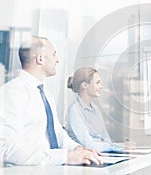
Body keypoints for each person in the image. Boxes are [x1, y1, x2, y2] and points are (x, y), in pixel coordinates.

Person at [0, 36, 102, 166]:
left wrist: (78, 149)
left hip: (50, 168)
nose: (57, 60)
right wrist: (65, 156)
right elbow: (7, 150)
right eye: (54, 55)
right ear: (40, 59)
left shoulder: (46, 95)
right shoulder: (12, 93)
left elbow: (59, 134)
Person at [65, 67, 132, 153]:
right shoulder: (75, 111)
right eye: (97, 83)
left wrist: (116, 147)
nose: (101, 86)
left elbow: (106, 139)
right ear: (84, 85)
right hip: (84, 161)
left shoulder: (95, 109)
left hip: (100, 155)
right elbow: (88, 145)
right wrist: (120, 146)